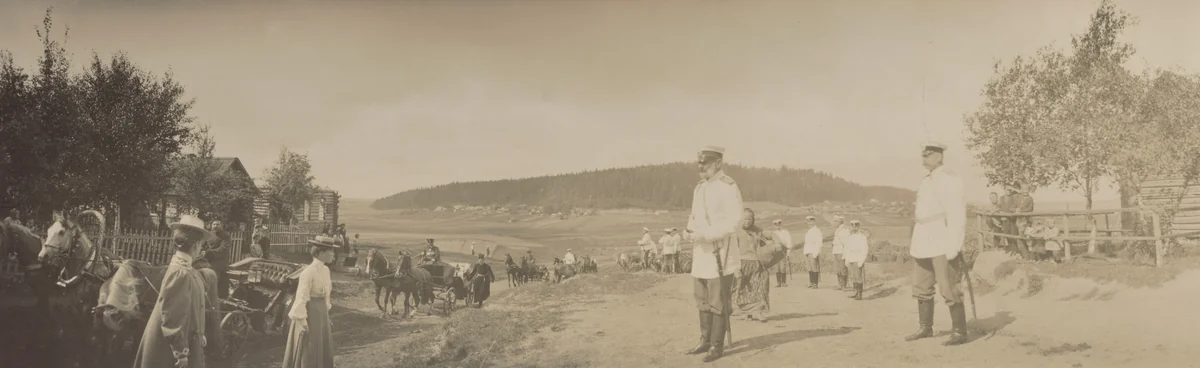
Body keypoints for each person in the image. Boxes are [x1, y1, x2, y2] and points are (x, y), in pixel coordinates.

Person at [682, 145, 743, 363]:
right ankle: (704, 340)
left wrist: (706, 235)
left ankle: (717, 345)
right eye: (699, 163)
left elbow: (735, 221)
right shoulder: (699, 188)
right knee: (702, 299)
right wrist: (689, 230)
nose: (701, 167)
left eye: (705, 163)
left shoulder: (728, 187)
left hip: (720, 252)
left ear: (718, 163)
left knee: (718, 300)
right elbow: (694, 216)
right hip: (701, 253)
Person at [904, 141, 969, 346]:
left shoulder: (950, 179)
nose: (923, 158)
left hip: (941, 235)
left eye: (927, 155)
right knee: (921, 284)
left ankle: (959, 331)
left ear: (938, 157)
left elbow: (957, 213)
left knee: (948, 285)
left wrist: (955, 243)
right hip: (923, 236)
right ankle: (926, 327)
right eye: (922, 155)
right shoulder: (927, 180)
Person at [133, 215, 212, 368]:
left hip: (185, 339)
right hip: (167, 348)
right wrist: (180, 352)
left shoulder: (186, 269)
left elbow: (192, 307)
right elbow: (172, 316)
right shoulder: (180, 273)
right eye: (202, 245)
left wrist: (199, 333)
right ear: (195, 245)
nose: (201, 249)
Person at [282, 235, 339, 368]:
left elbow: (326, 295)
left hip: (321, 315)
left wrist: (326, 313)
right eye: (331, 251)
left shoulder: (326, 270)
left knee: (322, 347)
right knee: (309, 349)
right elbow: (301, 297)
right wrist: (302, 322)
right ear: (321, 253)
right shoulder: (308, 272)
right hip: (309, 314)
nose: (333, 255)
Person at [733, 208, 780, 323]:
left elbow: (772, 234)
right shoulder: (736, 232)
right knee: (744, 290)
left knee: (760, 287)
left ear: (753, 219)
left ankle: (758, 312)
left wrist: (777, 242)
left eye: (749, 218)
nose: (747, 221)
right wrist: (735, 267)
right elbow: (732, 250)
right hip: (741, 263)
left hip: (756, 262)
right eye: (745, 218)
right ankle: (747, 313)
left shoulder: (757, 230)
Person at [843, 220, 870, 300]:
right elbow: (846, 249)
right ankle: (855, 292)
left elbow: (864, 250)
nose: (854, 227)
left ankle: (859, 294)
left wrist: (861, 261)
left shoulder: (862, 237)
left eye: (856, 225)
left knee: (858, 277)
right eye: (852, 225)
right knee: (853, 276)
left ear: (858, 226)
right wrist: (846, 259)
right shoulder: (849, 237)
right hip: (850, 257)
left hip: (858, 258)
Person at [205, 220, 231, 299]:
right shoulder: (209, 234)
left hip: (220, 262)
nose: (215, 226)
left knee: (216, 284)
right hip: (209, 261)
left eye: (218, 224)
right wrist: (203, 251)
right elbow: (204, 245)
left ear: (221, 225)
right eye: (214, 224)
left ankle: (216, 300)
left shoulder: (226, 235)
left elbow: (223, 249)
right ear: (211, 225)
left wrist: (208, 252)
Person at [769, 219, 793, 287]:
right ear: (774, 225)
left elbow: (789, 242)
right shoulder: (773, 233)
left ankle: (783, 282)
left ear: (781, 224)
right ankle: (778, 283)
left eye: (779, 224)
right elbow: (771, 243)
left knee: (782, 267)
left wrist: (788, 252)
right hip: (776, 251)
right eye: (776, 224)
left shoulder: (785, 232)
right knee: (777, 268)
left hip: (783, 251)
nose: (777, 225)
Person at [802, 216, 823, 289]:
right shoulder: (809, 231)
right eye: (808, 221)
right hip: (807, 251)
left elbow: (819, 242)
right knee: (809, 268)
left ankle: (815, 283)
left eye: (810, 221)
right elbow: (806, 243)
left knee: (814, 268)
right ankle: (811, 282)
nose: (809, 223)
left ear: (814, 221)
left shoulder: (817, 231)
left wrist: (816, 253)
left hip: (813, 251)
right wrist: (805, 252)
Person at [830, 216, 851, 290]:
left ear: (840, 222)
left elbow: (846, 242)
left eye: (836, 221)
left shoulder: (844, 230)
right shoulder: (838, 229)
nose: (834, 223)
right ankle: (839, 284)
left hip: (841, 251)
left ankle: (844, 285)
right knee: (838, 268)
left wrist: (846, 252)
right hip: (836, 250)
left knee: (843, 268)